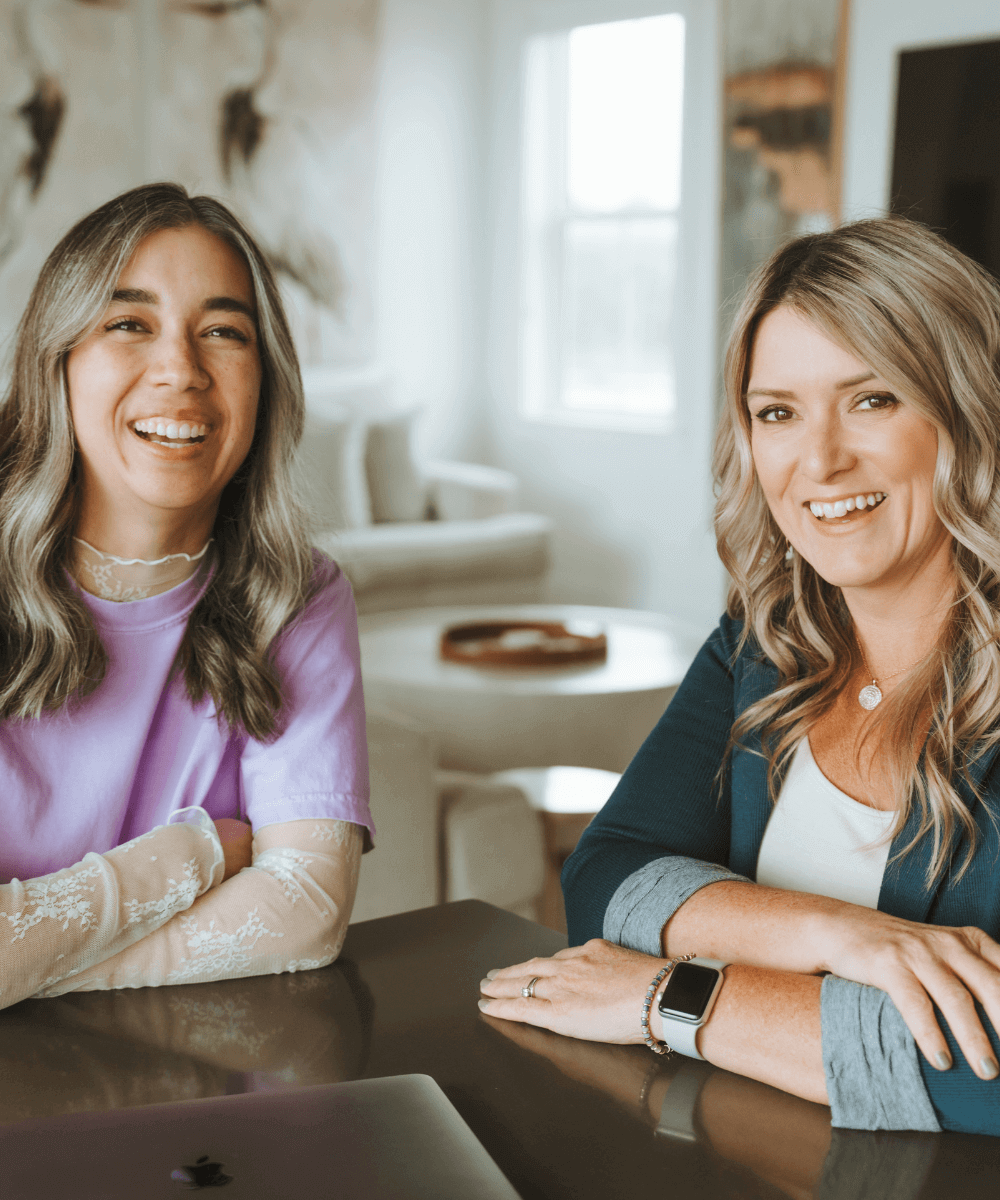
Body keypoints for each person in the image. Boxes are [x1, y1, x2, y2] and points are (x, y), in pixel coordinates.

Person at [478, 216, 1000, 1136]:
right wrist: (832, 933)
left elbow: (987, 1066)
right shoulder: (765, 640)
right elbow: (606, 875)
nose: (819, 460)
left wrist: (674, 998)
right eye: (777, 412)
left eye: (872, 399)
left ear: (967, 409)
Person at [0, 181, 372, 1006]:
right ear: (54, 359)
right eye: (129, 323)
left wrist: (31, 967)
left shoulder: (296, 594)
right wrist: (189, 858)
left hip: (191, 1102)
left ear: (264, 382)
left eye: (224, 333)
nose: (181, 370)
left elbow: (305, 912)